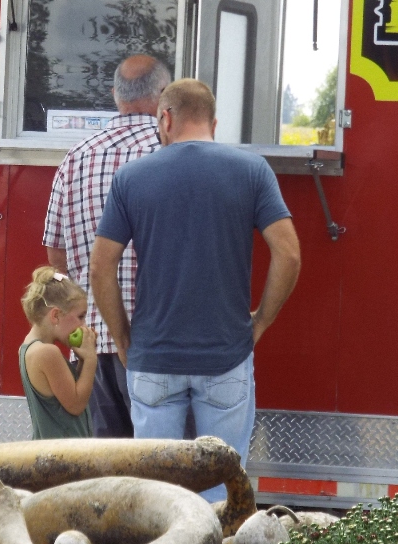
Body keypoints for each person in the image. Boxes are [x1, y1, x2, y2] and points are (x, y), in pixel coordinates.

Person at [90, 78, 301, 502]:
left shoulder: (131, 177)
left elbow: (100, 266)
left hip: (154, 357)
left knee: (157, 498)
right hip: (226, 356)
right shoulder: (251, 170)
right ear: (213, 123)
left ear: (166, 119)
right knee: (221, 497)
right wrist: (260, 321)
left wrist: (123, 337)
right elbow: (289, 254)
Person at [43, 54, 170, 438]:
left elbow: (56, 255)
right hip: (154, 340)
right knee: (160, 459)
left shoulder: (76, 157)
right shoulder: (168, 152)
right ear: (165, 94)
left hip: (91, 340)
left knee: (105, 462)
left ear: (116, 95)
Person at [18, 267, 97, 439]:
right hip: (62, 452)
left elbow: (66, 393)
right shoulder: (47, 353)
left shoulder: (29, 347)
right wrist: (91, 359)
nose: (83, 326)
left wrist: (82, 360)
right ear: (55, 315)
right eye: (80, 317)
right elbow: (75, 404)